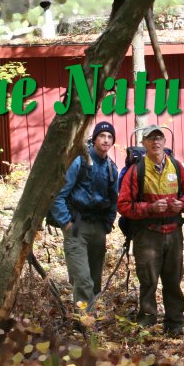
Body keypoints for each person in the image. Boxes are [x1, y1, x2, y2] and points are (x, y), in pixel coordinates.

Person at [117, 124, 184, 336]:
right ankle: (146, 326)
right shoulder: (136, 171)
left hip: (174, 232)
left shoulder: (176, 167)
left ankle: (175, 325)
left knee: (173, 280)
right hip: (147, 233)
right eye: (150, 138)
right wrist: (148, 208)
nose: (155, 141)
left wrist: (183, 204)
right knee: (148, 281)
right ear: (143, 144)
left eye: (159, 138)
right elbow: (122, 205)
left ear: (164, 142)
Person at [50, 121, 118, 311]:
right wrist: (66, 223)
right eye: (102, 136)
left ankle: (91, 318)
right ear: (94, 138)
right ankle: (85, 323)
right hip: (76, 227)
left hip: (98, 229)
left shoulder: (112, 168)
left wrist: (107, 224)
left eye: (109, 137)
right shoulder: (79, 161)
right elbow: (58, 194)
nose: (105, 140)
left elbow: (114, 200)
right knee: (82, 278)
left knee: (94, 281)